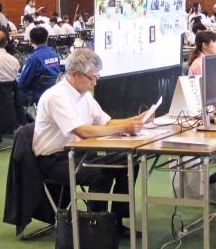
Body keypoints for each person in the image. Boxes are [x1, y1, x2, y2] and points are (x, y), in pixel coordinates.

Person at [33, 49, 154, 237]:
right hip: (54, 160)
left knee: (128, 162)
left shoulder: (83, 94)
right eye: (92, 78)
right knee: (100, 174)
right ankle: (97, 229)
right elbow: (82, 131)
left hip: (80, 154)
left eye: (96, 78)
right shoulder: (56, 97)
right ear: (74, 74)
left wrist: (136, 120)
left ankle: (116, 221)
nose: (94, 83)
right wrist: (124, 128)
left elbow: (105, 122)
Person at [18, 27, 61, 113]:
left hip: (34, 94)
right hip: (51, 91)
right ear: (47, 39)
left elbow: (23, 82)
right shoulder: (55, 55)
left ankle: (24, 119)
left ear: (30, 41)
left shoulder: (33, 58)